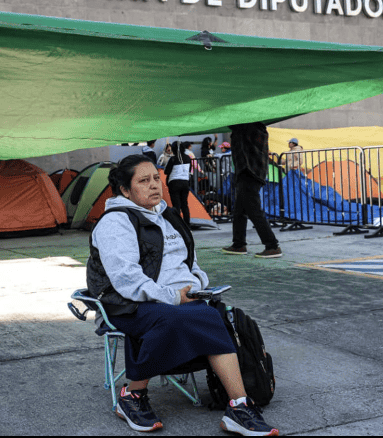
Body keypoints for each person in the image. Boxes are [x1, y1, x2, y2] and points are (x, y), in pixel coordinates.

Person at [88, 154, 278, 436]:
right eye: (144, 181)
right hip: (126, 302)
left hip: (179, 300)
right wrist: (174, 296)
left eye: (156, 178)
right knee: (176, 319)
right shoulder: (115, 223)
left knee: (209, 312)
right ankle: (132, 396)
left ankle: (239, 406)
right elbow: (127, 280)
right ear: (125, 190)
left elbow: (191, 263)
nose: (155, 185)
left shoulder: (169, 216)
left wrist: (197, 284)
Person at [222, 123, 282, 258]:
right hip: (248, 173)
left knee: (253, 210)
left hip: (249, 172)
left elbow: (238, 129)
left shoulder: (250, 129)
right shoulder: (254, 129)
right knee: (239, 212)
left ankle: (272, 245)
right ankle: (238, 244)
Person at [164, 142, 191, 226]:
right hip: (185, 182)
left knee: (176, 205)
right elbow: (190, 170)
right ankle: (187, 224)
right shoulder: (188, 158)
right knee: (184, 204)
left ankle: (178, 225)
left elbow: (166, 171)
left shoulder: (173, 159)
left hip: (174, 183)